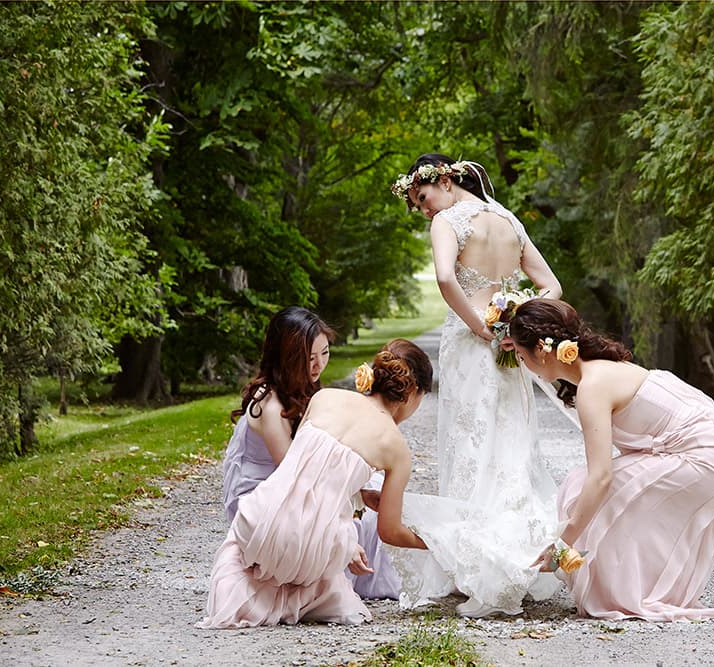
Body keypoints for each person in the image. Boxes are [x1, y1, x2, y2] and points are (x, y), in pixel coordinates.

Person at [385, 154, 564, 617]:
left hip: (472, 345)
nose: (424, 210)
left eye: (422, 198)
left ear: (443, 180)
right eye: (418, 206)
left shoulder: (449, 220)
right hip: (509, 348)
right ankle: (515, 559)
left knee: (471, 447)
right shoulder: (508, 219)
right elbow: (552, 287)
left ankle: (475, 565)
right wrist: (517, 317)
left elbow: (446, 278)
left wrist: (483, 327)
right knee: (509, 445)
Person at [506, 299, 714, 621]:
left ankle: (623, 594)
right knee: (581, 488)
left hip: (707, 457)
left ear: (541, 350)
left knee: (591, 490)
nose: (524, 365)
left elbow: (602, 477)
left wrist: (563, 542)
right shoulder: (600, 368)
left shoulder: (592, 386)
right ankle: (626, 587)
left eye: (522, 357)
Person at [197, 339, 432, 629]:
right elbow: (390, 531)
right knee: (329, 572)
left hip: (258, 523)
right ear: (412, 393)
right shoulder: (396, 449)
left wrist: (358, 495)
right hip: (314, 551)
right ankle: (300, 580)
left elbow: (308, 469)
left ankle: (258, 581)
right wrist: (436, 541)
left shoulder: (325, 398)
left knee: (253, 551)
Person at [221, 306, 400, 599]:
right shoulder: (269, 404)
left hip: (294, 481)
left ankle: (363, 579)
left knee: (368, 508)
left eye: (325, 354)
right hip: (266, 493)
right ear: (286, 357)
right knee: (346, 523)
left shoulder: (305, 388)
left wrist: (359, 492)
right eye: (308, 358)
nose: (318, 366)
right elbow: (295, 476)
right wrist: (339, 533)